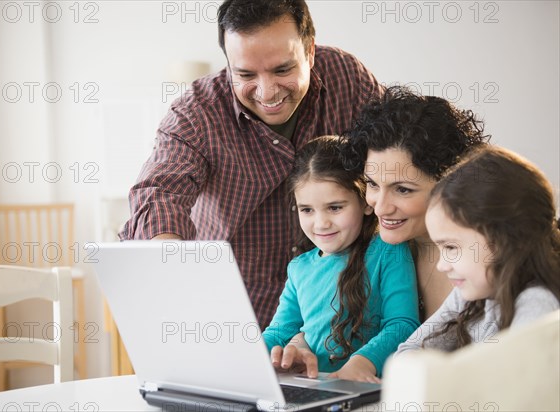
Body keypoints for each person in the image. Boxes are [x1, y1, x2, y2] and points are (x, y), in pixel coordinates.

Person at [118, 0, 382, 329]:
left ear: (310, 52)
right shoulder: (197, 112)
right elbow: (158, 192)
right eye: (245, 74)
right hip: (237, 320)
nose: (267, 92)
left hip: (341, 317)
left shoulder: (347, 79)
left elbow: (395, 151)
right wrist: (173, 269)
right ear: (228, 64)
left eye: (282, 70)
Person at [272, 85, 489, 376]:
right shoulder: (377, 247)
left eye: (402, 189)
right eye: (372, 184)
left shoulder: (479, 262)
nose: (380, 207)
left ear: (449, 184)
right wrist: (301, 343)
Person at [262, 136, 420, 382]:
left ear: (365, 202)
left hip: (364, 388)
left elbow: (402, 324)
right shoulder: (299, 268)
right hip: (315, 387)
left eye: (335, 208)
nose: (321, 223)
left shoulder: (388, 251)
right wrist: (248, 358)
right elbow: (281, 330)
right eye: (307, 210)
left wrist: (362, 363)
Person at [397, 145, 560, 353]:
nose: (441, 265)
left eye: (451, 247)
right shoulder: (467, 294)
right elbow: (408, 351)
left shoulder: (538, 304)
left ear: (504, 240)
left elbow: (513, 383)